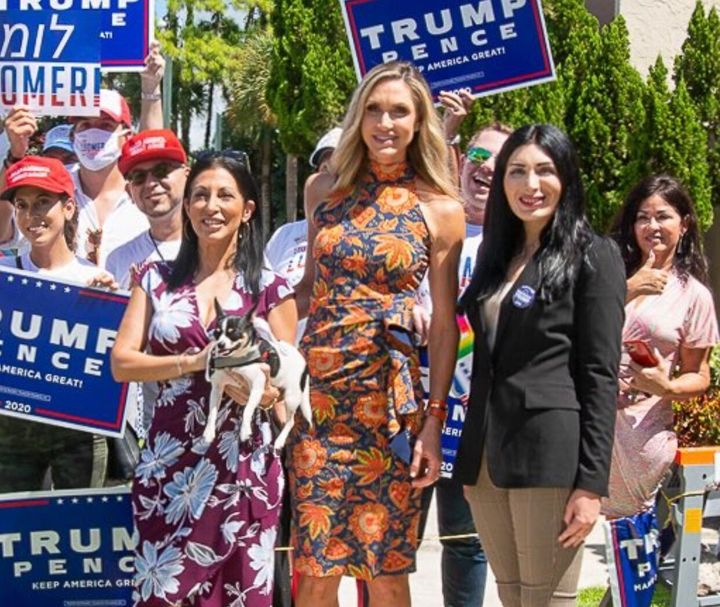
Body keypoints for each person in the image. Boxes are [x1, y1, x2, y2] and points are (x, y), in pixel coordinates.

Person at [290, 60, 464, 607]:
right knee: (316, 567)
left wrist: (433, 422)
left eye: (399, 112)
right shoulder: (324, 190)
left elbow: (442, 325)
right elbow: (308, 288)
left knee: (385, 570)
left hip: (389, 407)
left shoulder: (441, 209)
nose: (384, 123)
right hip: (319, 403)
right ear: (357, 118)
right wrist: (258, 322)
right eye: (373, 110)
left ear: (419, 124)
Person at [111, 151, 297, 606]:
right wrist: (196, 362)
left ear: (247, 209)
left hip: (244, 468)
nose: (210, 206)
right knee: (162, 594)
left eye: (224, 196)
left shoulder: (271, 289)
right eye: (199, 195)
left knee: (239, 594)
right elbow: (122, 363)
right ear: (187, 206)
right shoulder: (153, 280)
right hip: (169, 463)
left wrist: (264, 389)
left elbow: (284, 388)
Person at [455, 124, 626, 607]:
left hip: (549, 456)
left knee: (548, 601)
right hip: (486, 457)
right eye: (518, 171)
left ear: (567, 178)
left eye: (544, 170)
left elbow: (600, 375)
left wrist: (590, 485)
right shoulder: (496, 254)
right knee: (511, 597)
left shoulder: (594, 255)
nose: (531, 185)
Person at [415, 116, 512, 607]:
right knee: (391, 542)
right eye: (478, 157)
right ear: (458, 160)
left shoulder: (515, 245)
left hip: (472, 419)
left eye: (501, 163)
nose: (487, 171)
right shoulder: (426, 221)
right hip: (408, 410)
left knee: (466, 543)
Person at [603, 175, 719, 519]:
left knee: (628, 547)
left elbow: (699, 374)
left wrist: (666, 386)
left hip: (641, 435)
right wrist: (626, 290)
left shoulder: (693, 295)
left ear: (683, 225)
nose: (651, 225)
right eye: (642, 217)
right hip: (585, 420)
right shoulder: (606, 274)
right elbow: (567, 324)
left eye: (662, 216)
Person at [0, 156, 116, 492]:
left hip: (79, 434)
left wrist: (108, 311)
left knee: (78, 530)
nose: (30, 216)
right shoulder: (7, 275)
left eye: (42, 203)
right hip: (11, 432)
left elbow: (111, 367)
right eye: (21, 205)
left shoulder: (95, 279)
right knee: (15, 534)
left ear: (68, 208)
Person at [1, 42, 166, 266]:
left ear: (127, 136)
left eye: (106, 125)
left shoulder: (147, 191)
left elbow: (154, 149)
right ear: (73, 137)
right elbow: (3, 232)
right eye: (85, 124)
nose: (94, 132)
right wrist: (16, 154)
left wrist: (151, 87)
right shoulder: (49, 187)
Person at [106, 129, 188, 290]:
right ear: (130, 191)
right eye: (138, 177)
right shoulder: (118, 259)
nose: (150, 183)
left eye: (161, 171)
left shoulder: (216, 247)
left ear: (188, 176)